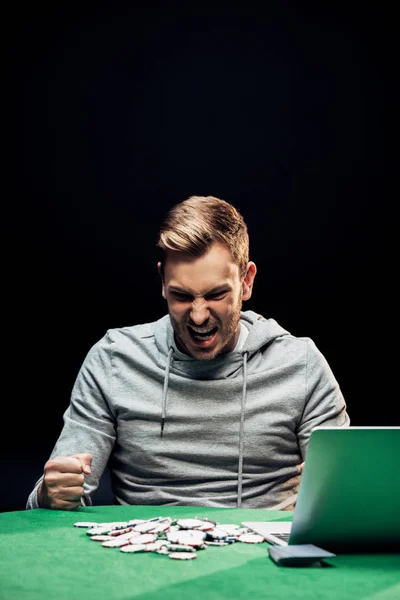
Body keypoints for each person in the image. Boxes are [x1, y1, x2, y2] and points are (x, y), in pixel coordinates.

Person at [26, 195, 350, 512]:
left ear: (247, 282)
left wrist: (340, 493)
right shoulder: (113, 359)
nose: (197, 316)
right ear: (163, 284)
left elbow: (349, 495)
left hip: (261, 554)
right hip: (145, 554)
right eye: (181, 296)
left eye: (216, 294)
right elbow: (54, 494)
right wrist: (49, 493)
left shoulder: (300, 364)